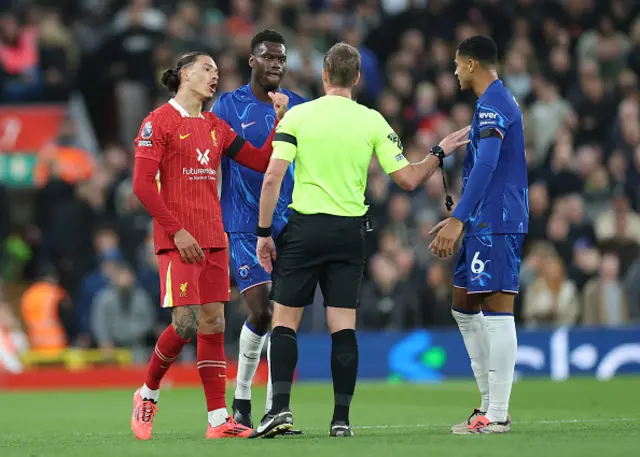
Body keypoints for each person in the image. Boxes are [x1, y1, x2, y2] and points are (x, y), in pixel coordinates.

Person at [250, 42, 470, 439]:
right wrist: (439, 151)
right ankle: (341, 420)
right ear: (357, 79)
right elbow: (407, 179)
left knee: (285, 320)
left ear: (324, 75)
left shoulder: (299, 115)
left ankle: (279, 410)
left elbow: (272, 177)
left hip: (305, 228)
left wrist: (264, 234)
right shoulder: (371, 120)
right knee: (343, 326)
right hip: (350, 233)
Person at [129, 51, 289, 440]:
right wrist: (176, 231)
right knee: (184, 324)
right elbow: (141, 185)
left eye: (218, 71)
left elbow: (259, 158)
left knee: (214, 323)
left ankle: (218, 420)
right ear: (184, 74)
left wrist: (280, 121)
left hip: (214, 238)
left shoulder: (215, 125)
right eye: (207, 69)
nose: (215, 76)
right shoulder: (158, 121)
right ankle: (148, 392)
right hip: (177, 240)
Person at [429, 35, 528, 434]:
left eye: (456, 64)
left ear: (471, 64)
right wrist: (464, 220)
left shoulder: (494, 104)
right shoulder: (494, 103)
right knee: (463, 306)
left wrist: (458, 219)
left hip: (497, 220)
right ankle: (488, 404)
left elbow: (486, 165)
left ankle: (498, 414)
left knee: (497, 311)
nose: (453, 71)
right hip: (482, 222)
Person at [212, 29, 306, 431]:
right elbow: (211, 158)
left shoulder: (300, 106)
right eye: (268, 58)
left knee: (283, 317)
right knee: (262, 310)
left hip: (291, 222)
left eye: (281, 59)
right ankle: (243, 396)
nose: (276, 65)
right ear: (252, 60)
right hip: (244, 223)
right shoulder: (227, 106)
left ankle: (272, 410)